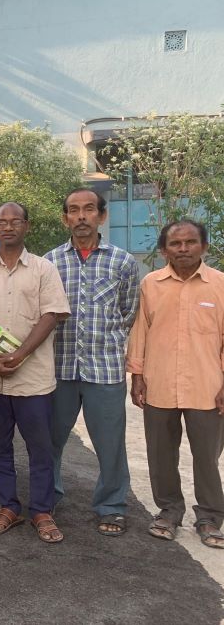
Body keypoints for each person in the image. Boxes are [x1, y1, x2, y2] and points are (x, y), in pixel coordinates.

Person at [0, 202, 70, 544]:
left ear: (27, 226)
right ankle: (8, 506)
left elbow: (51, 316)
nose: (8, 227)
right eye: (1, 222)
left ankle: (41, 510)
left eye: (15, 221)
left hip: (32, 377)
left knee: (40, 447)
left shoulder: (43, 269)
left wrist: (20, 354)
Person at [44, 189, 139, 537]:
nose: (81, 216)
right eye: (73, 210)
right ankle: (47, 497)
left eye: (88, 209)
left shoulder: (123, 262)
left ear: (102, 215)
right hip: (59, 368)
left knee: (110, 442)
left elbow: (128, 313)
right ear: (65, 218)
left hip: (105, 371)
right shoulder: (50, 262)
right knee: (50, 440)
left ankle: (111, 506)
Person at [127, 219, 224, 549]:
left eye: (191, 242)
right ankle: (169, 511)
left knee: (207, 456)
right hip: (160, 383)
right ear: (164, 249)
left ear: (204, 247)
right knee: (160, 452)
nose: (183, 248)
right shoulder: (152, 284)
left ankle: (210, 516)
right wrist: (136, 375)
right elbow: (141, 331)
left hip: (207, 387)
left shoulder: (220, 285)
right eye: (176, 243)